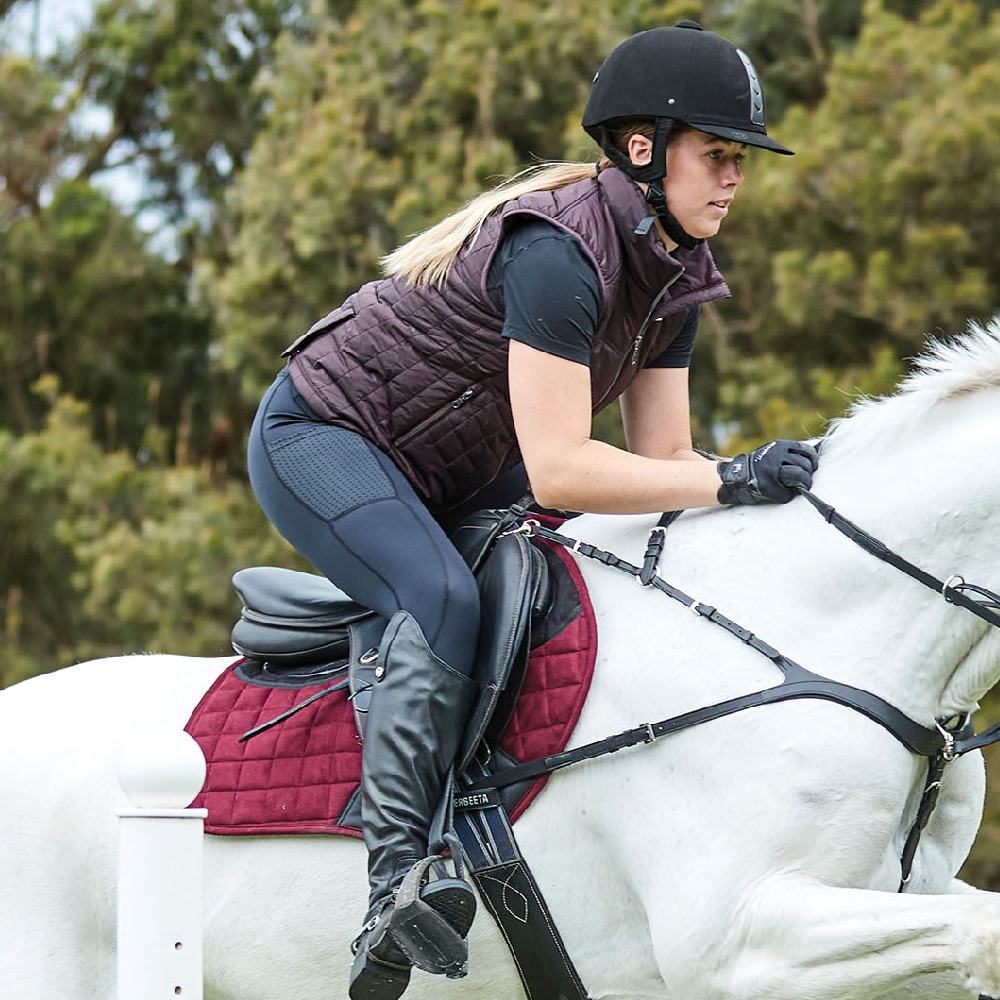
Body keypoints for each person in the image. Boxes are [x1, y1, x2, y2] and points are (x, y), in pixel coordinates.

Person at [246, 19, 819, 1000]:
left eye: (738, 162)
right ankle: (393, 887)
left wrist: (746, 492)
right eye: (717, 155)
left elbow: (663, 462)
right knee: (440, 598)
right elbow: (561, 468)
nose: (734, 179)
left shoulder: (671, 282)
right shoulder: (557, 254)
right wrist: (732, 477)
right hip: (325, 436)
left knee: (573, 578)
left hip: (460, 467)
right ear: (643, 149)